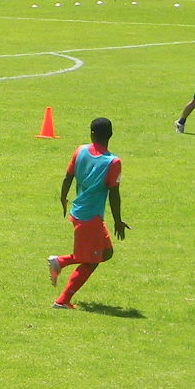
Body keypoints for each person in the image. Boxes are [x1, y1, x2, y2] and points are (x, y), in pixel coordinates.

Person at [48, 116, 129, 310]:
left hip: (81, 212)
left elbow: (68, 177)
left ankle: (60, 262)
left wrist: (63, 197)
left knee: (106, 252)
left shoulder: (80, 150)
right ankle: (62, 301)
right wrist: (118, 221)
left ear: (91, 133)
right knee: (91, 261)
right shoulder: (113, 162)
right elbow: (114, 194)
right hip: (89, 218)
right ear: (111, 135)